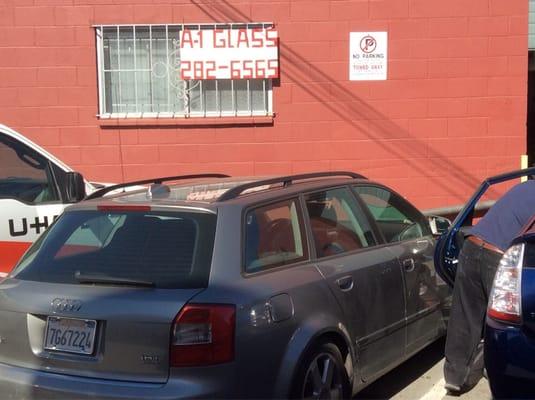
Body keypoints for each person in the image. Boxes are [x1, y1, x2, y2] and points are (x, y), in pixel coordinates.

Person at [444, 179, 535, 394]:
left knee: (464, 316)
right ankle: (498, 371)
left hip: (471, 245)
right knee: (502, 322)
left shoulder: (524, 187)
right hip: (498, 256)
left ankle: (455, 378)